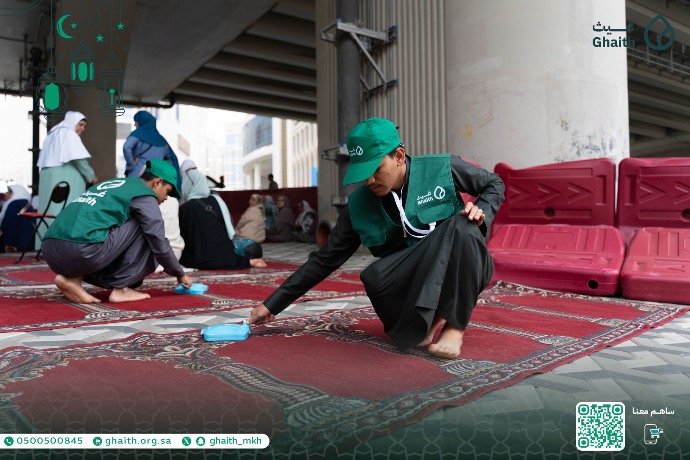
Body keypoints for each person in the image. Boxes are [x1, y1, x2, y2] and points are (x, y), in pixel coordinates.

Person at [249, 117, 505, 359]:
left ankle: (454, 326)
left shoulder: (441, 168)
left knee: (464, 224)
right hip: (413, 279)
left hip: (462, 264)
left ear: (399, 156)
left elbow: (495, 184)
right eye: (363, 173)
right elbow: (324, 259)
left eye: (376, 169)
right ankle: (429, 318)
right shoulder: (358, 206)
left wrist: (480, 209)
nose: (370, 180)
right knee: (374, 277)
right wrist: (272, 304)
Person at [41, 160, 193, 304]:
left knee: (110, 224)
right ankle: (121, 289)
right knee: (149, 228)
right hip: (83, 251)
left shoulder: (114, 184)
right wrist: (179, 273)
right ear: (157, 182)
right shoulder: (144, 194)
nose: (166, 198)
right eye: (168, 191)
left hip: (50, 250)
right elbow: (158, 240)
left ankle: (72, 279)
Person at [179, 165, 267, 270]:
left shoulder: (185, 208)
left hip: (200, 259)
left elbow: (183, 239)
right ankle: (250, 261)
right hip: (225, 255)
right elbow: (229, 228)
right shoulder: (217, 200)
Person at [37, 111, 99, 220]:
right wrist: (92, 176)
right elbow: (79, 159)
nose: (82, 128)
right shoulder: (69, 133)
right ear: (72, 122)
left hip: (48, 177)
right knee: (63, 212)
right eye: (80, 125)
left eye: (84, 126)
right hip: (64, 178)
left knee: (46, 212)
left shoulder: (53, 133)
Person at [123, 111, 181, 191]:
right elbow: (172, 160)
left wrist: (131, 164)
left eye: (135, 122)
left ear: (141, 121)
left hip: (136, 176)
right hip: (155, 181)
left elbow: (126, 147)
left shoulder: (138, 133)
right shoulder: (162, 141)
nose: (134, 124)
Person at [0, 184, 35, 253]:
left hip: (15, 246)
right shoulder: (29, 206)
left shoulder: (13, 204)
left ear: (15, 192)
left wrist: (9, 243)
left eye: (9, 192)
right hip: (29, 245)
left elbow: (10, 225)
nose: (6, 195)